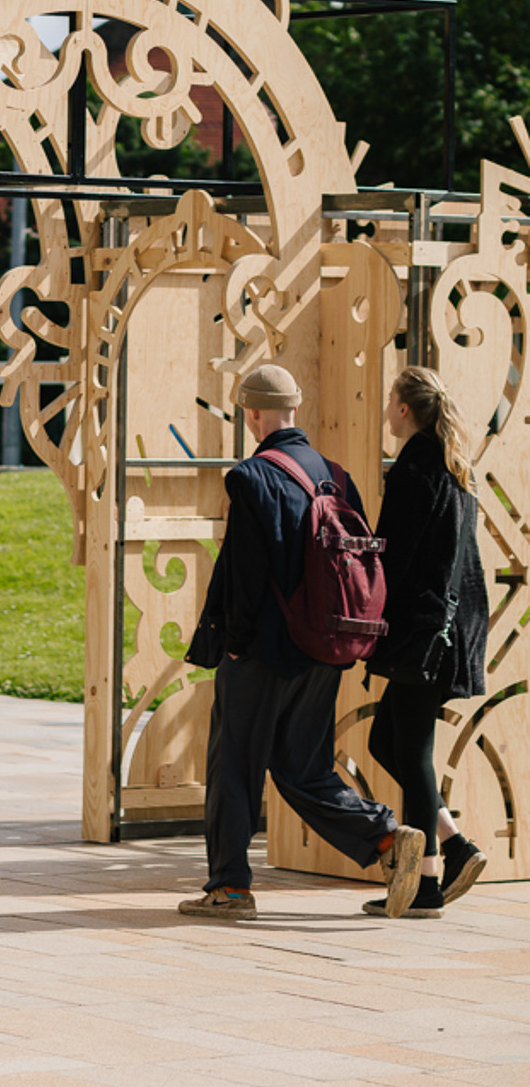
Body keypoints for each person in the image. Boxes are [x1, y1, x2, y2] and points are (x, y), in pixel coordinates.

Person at [180, 362, 423, 920]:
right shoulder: (336, 474)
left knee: (234, 766)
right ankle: (386, 839)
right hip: (325, 644)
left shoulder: (252, 475)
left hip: (264, 650)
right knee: (303, 766)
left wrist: (234, 642)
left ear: (252, 413)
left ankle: (230, 888)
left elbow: (244, 573)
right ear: (296, 409)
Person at [362, 366, 490, 920]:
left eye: (391, 399)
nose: (387, 409)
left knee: (410, 752)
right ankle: (456, 847)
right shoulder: (454, 466)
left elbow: (395, 556)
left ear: (405, 409)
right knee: (386, 742)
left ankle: (427, 883)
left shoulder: (415, 469)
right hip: (450, 632)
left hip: (425, 634)